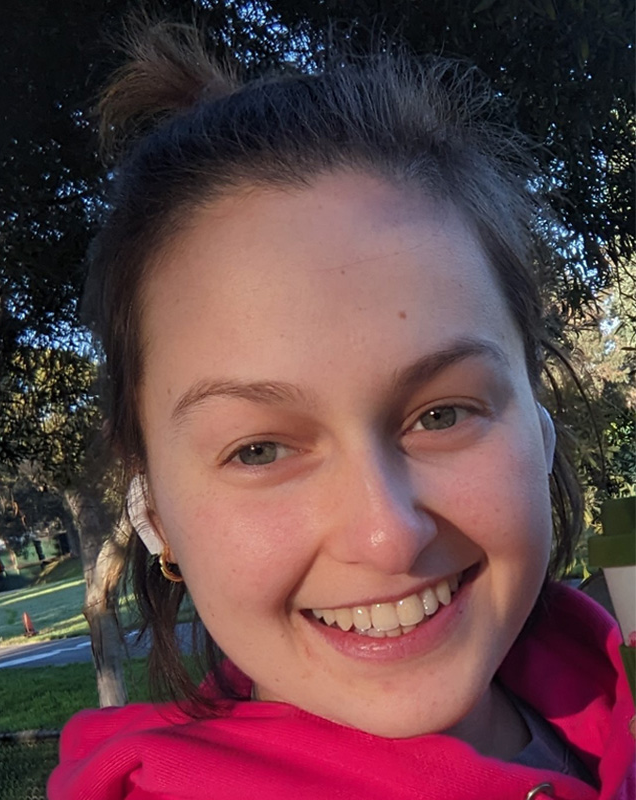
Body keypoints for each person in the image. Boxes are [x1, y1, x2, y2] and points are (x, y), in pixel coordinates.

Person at [48, 20, 634, 800]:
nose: (387, 536)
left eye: (443, 414)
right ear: (155, 513)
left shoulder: (603, 683)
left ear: (539, 421)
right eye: (258, 450)